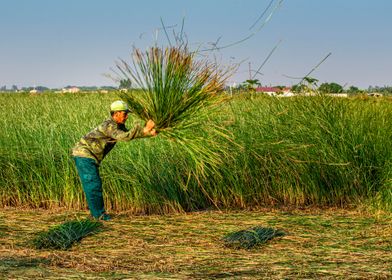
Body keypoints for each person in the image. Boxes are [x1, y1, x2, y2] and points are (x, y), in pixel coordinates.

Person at [72, 100, 157, 221]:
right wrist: (145, 129)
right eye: (124, 114)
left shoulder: (118, 126)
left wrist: (148, 132)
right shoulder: (110, 126)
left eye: (127, 114)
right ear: (116, 114)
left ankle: (95, 214)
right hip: (84, 154)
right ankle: (99, 216)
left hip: (89, 156)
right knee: (93, 184)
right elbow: (125, 137)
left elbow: (128, 134)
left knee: (93, 184)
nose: (127, 116)